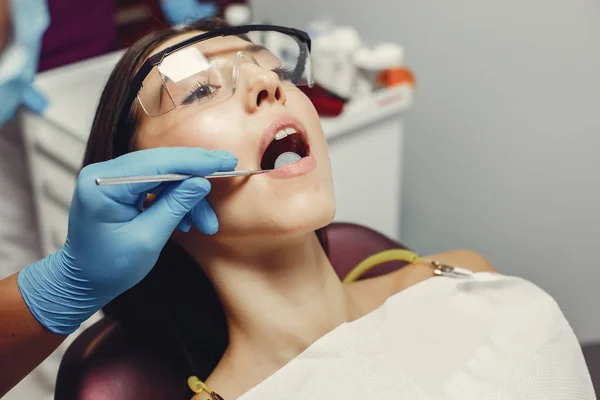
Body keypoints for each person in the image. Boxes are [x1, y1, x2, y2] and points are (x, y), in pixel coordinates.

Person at [71, 17, 594, 400]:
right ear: (148, 194)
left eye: (270, 68)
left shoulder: (462, 277)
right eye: (201, 90)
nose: (266, 84)